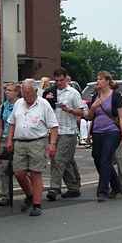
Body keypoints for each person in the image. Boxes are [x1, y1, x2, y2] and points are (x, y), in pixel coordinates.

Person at [6, 79, 58, 216]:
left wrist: (52, 145)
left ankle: (37, 204)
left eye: (28, 92)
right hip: (20, 142)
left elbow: (53, 126)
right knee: (19, 172)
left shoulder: (44, 104)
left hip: (37, 142)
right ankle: (30, 195)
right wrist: (9, 140)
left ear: (35, 91)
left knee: (36, 173)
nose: (25, 95)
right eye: (23, 92)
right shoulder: (18, 103)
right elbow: (12, 123)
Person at [86, 71, 122, 202]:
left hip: (112, 131)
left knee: (105, 159)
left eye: (100, 79)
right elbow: (89, 117)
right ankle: (116, 185)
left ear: (107, 81)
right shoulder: (95, 96)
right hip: (97, 132)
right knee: (97, 159)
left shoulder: (116, 96)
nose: (97, 81)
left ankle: (103, 191)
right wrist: (93, 107)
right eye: (97, 79)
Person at [44, 68, 86, 201]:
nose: (59, 83)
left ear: (66, 78)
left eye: (61, 80)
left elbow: (81, 112)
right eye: (56, 81)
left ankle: (54, 188)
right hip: (54, 131)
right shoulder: (50, 92)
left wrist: (69, 110)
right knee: (66, 160)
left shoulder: (73, 93)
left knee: (58, 159)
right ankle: (74, 186)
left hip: (68, 131)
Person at [0, 83, 20, 206]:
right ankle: (5, 195)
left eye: (10, 90)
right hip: (5, 139)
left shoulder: (20, 106)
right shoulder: (3, 107)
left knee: (20, 169)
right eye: (6, 90)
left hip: (18, 140)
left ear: (16, 92)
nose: (7, 92)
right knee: (4, 169)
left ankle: (30, 192)